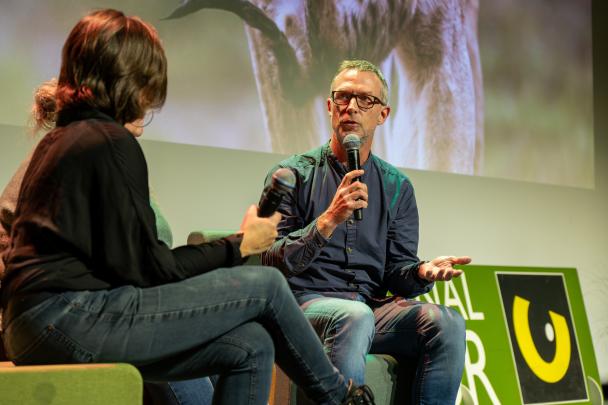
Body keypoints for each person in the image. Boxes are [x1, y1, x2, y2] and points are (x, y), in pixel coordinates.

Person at [0, 10, 374, 405]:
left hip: (35, 325)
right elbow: (153, 270)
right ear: (137, 80)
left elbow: (124, 266)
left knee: (251, 345)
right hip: (69, 320)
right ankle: (341, 397)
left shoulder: (61, 141)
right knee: (266, 286)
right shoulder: (109, 141)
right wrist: (241, 244)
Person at [262, 59, 471, 404]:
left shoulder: (397, 187)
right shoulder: (291, 175)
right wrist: (328, 220)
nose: (352, 108)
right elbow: (268, 261)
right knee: (354, 316)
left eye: (365, 100)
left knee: (446, 323)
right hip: (303, 307)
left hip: (368, 308)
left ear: (383, 115)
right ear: (330, 106)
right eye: (343, 98)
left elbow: (396, 274)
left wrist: (421, 271)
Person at [0, 79, 215, 405]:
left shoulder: (113, 158)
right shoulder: (65, 157)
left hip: (125, 304)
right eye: (138, 93)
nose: (147, 105)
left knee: (226, 341)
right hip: (81, 315)